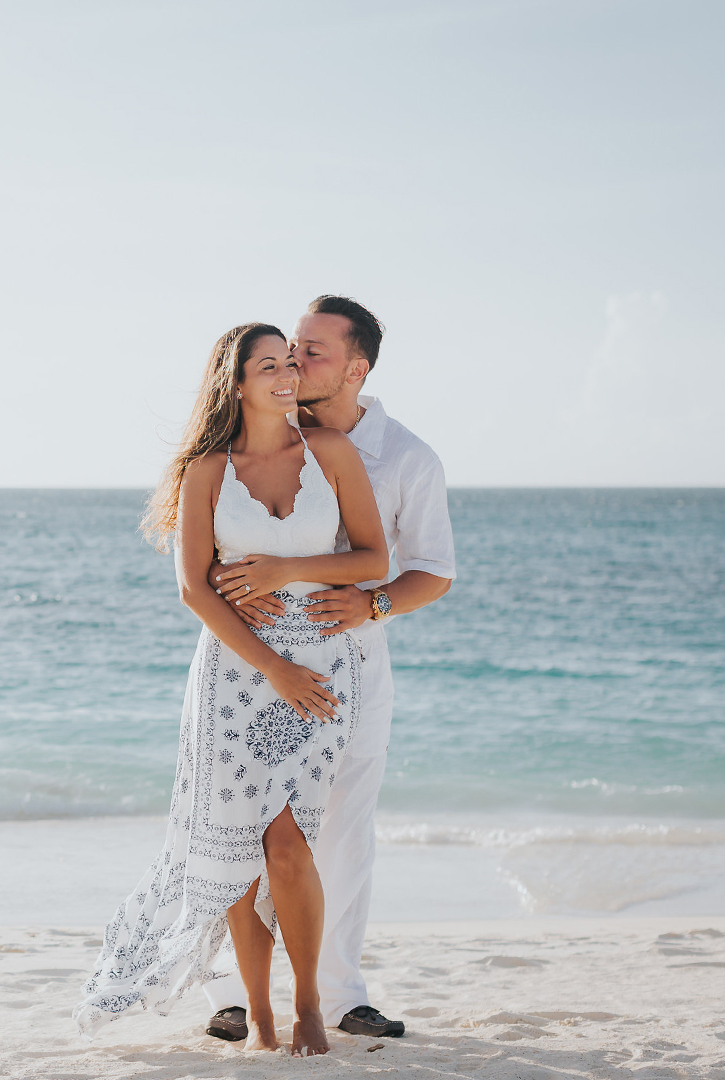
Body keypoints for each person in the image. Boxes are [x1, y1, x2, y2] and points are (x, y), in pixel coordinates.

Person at [74, 322, 389, 1056]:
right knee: (242, 846)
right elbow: (194, 589)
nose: (286, 376)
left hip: (319, 670)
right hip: (233, 678)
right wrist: (268, 665)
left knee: (290, 841)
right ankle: (261, 1014)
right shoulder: (207, 471)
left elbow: (374, 556)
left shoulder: (332, 455)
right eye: (270, 367)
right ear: (237, 382)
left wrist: (286, 572)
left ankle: (309, 1003)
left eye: (290, 364)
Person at [200, 296, 457, 1043]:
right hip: (254, 666)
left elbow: (433, 571)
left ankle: (342, 996)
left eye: (311, 351)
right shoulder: (266, 432)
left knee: (343, 828)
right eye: (290, 350)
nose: (294, 362)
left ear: (356, 368)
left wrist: (371, 607)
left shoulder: (407, 458)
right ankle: (235, 996)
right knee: (239, 823)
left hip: (355, 670)